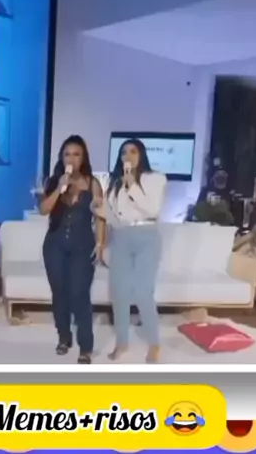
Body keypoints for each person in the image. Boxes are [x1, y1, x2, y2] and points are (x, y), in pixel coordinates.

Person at [93, 138, 166, 363]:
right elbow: (114, 217)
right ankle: (122, 342)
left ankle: (154, 344)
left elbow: (152, 210)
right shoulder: (114, 182)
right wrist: (97, 208)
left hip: (147, 237)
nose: (128, 156)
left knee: (143, 292)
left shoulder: (155, 178)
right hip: (121, 237)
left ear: (141, 154)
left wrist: (132, 184)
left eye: (133, 151)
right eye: (124, 152)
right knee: (119, 293)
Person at [39, 135, 105, 365]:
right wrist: (59, 188)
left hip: (82, 246)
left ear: (83, 157)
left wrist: (100, 244)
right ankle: (64, 336)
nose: (71, 158)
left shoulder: (92, 183)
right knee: (59, 293)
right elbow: (43, 210)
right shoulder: (53, 181)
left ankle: (85, 347)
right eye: (67, 154)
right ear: (61, 157)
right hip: (54, 245)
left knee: (79, 294)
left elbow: (100, 217)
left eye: (76, 154)